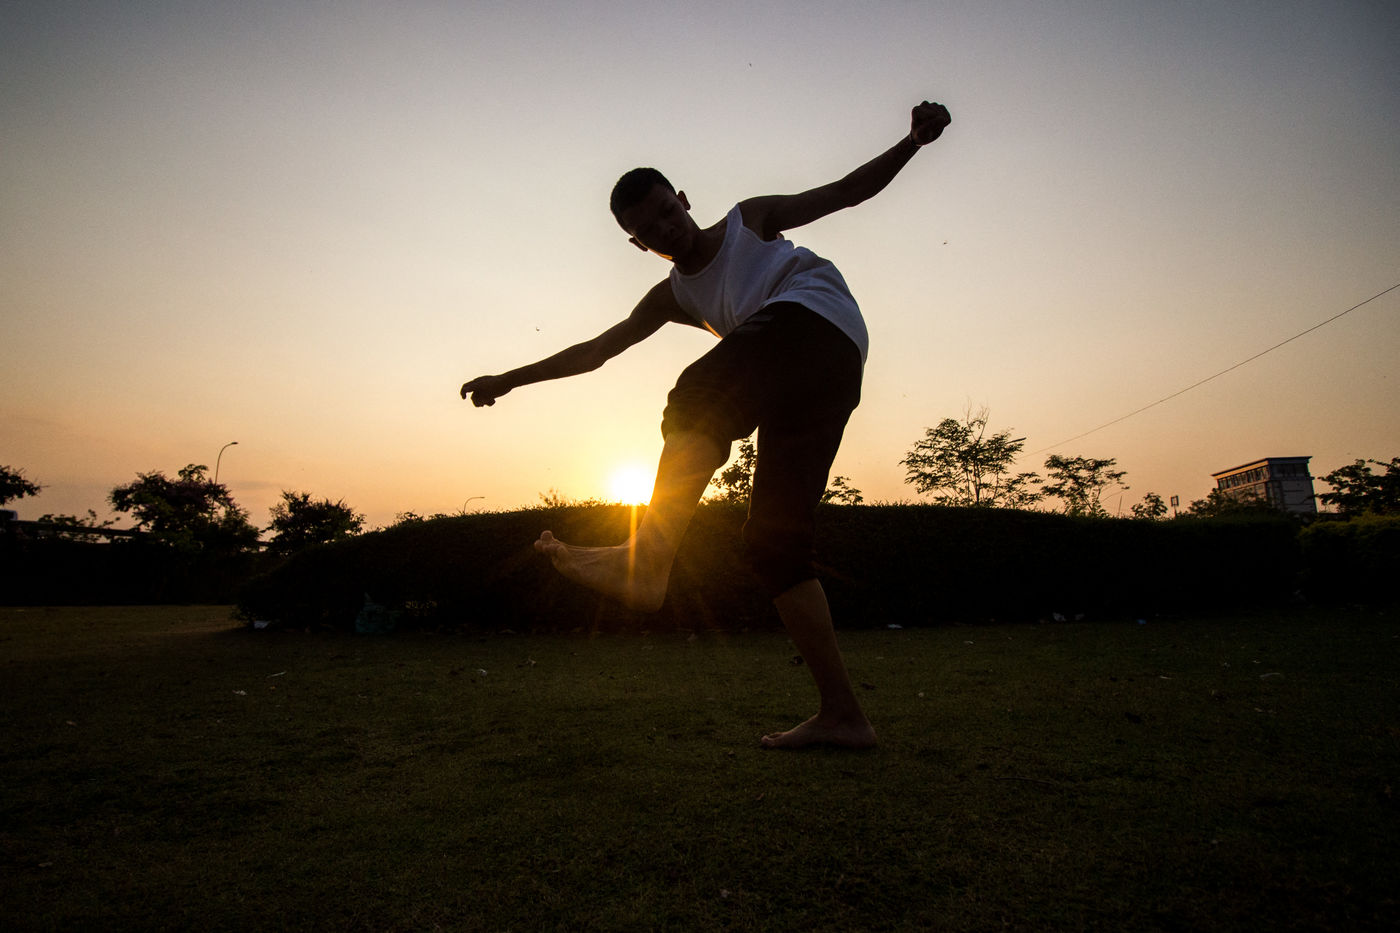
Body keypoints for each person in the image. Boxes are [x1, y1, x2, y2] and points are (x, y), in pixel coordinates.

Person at [462, 100, 952, 749]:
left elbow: (845, 192)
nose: (667, 229)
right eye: (650, 230)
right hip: (815, 378)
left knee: (698, 393)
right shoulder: (673, 296)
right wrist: (509, 379)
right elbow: (597, 350)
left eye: (669, 211)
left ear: (685, 199)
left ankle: (649, 559)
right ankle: (843, 715)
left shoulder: (751, 220)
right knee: (773, 544)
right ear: (638, 244)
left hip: (816, 319)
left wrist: (911, 142)